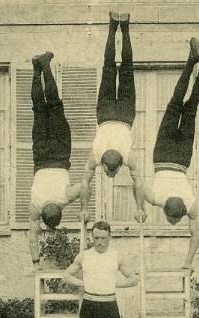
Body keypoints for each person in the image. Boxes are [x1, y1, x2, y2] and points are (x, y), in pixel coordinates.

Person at [138, 38, 199, 269]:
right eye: (172, 220)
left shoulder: (190, 204)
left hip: (181, 158)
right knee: (175, 104)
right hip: (163, 156)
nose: (170, 222)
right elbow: (137, 186)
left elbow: (195, 236)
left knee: (189, 108)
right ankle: (192, 61)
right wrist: (140, 207)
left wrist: (189, 261)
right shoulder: (156, 199)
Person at [80, 11, 143, 223]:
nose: (110, 175)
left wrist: (83, 209)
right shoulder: (96, 156)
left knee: (125, 68)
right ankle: (114, 25)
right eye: (110, 173)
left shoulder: (126, 157)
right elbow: (139, 184)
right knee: (109, 67)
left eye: (109, 173)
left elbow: (84, 184)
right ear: (107, 166)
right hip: (107, 113)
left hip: (123, 115)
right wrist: (140, 208)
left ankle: (121, 25)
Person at [28, 51, 83, 266]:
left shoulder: (65, 197)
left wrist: (83, 208)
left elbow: (85, 186)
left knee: (54, 104)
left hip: (59, 155)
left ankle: (46, 66)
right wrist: (35, 261)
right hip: (40, 157)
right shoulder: (35, 206)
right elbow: (32, 235)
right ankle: (36, 69)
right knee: (39, 110)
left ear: (60, 210)